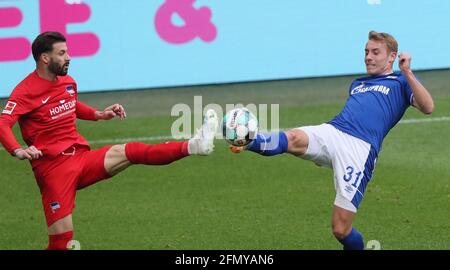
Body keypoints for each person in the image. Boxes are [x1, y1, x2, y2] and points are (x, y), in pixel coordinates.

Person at [0, 31, 219, 250]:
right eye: (62, 53)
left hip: (80, 156)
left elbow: (71, 103)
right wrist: (18, 150)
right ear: (45, 58)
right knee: (62, 242)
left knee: (129, 151)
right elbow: (3, 123)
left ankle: (194, 145)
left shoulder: (67, 81)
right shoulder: (25, 91)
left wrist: (99, 114)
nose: (69, 57)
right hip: (54, 170)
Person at [231, 31, 434, 250]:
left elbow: (428, 107)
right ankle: (248, 141)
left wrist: (407, 72)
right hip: (334, 131)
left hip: (359, 149)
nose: (368, 57)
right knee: (292, 137)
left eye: (376, 52)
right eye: (366, 52)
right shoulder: (358, 83)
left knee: (340, 229)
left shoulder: (401, 81)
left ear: (392, 57)